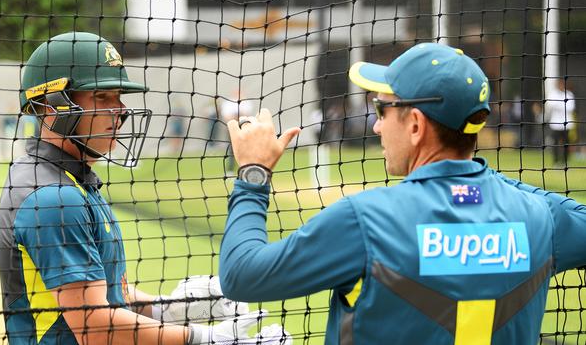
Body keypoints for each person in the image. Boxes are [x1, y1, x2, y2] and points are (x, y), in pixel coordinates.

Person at [220, 42, 586, 345]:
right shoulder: (540, 215)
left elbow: (241, 274)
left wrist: (254, 172)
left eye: (383, 108)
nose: (377, 125)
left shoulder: (364, 221)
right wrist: (480, 178)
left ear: (415, 125)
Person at [0, 32, 290, 345]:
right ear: (55, 106)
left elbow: (108, 293)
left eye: (119, 96)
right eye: (102, 97)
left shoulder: (68, 181)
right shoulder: (54, 198)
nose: (119, 111)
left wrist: (169, 310)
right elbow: (94, 326)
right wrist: (205, 339)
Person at [545, 78, 576, 165]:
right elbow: (549, 105)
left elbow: (570, 108)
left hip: (567, 124)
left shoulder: (569, 94)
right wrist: (562, 105)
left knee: (566, 143)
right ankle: (556, 161)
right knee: (555, 144)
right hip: (555, 124)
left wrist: (558, 105)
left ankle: (565, 162)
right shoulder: (553, 94)